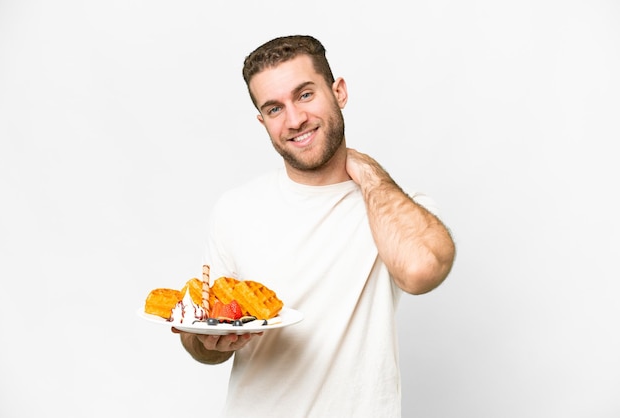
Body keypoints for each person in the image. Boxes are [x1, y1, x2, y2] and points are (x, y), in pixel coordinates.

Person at [176, 35, 456, 417]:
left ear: (338, 91)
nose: (294, 120)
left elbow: (422, 270)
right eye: (275, 109)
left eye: (305, 95)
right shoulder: (235, 209)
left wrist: (368, 171)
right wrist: (206, 344)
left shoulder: (394, 208)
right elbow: (201, 336)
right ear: (263, 121)